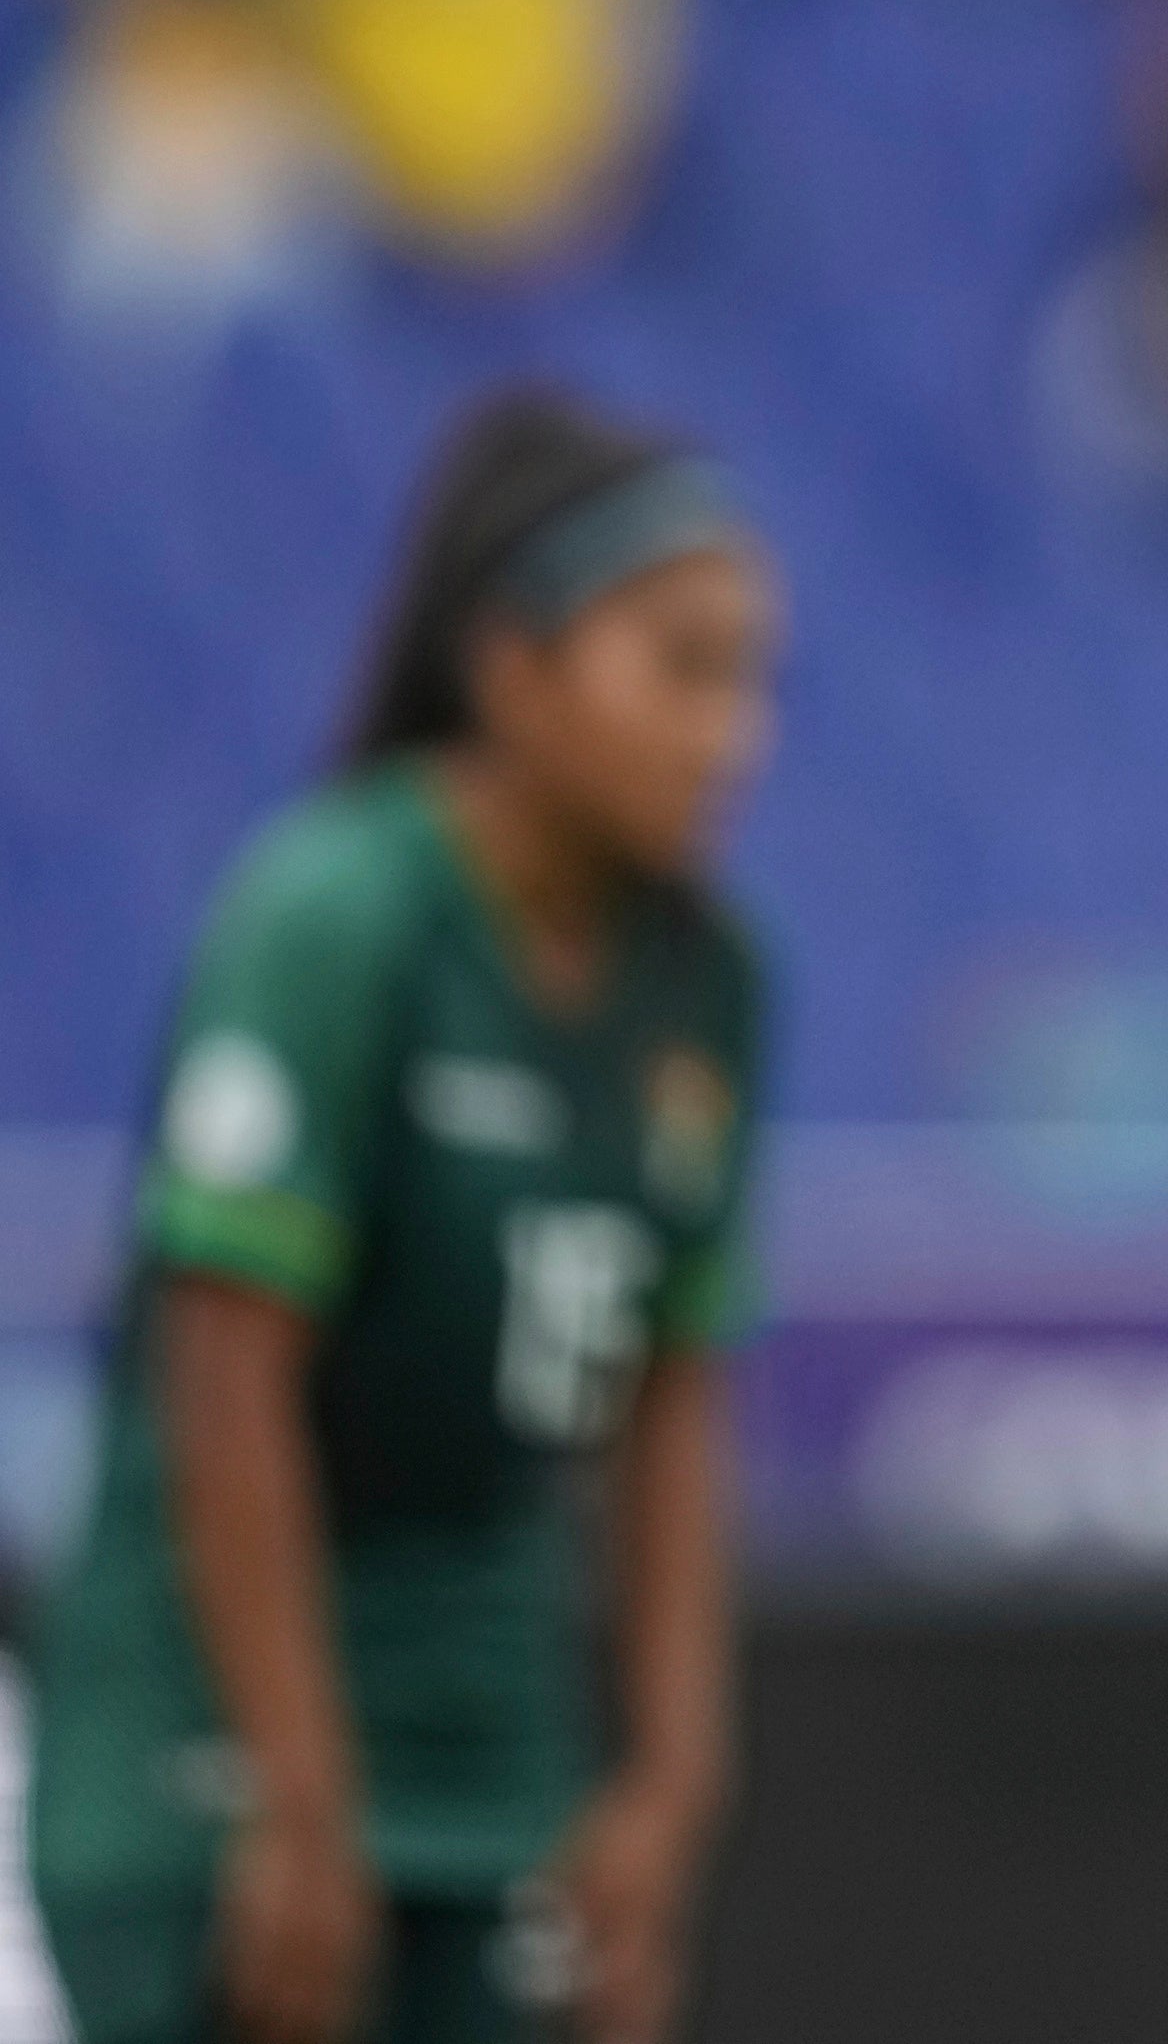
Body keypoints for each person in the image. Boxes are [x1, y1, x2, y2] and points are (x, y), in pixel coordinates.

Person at [24, 392, 783, 2044]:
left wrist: (666, 1785)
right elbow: (222, 1376)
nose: (735, 732)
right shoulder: (333, 917)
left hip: (498, 1756)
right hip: (214, 1756)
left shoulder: (705, 984)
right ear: (509, 667)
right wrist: (296, 1805)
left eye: (752, 678)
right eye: (681, 665)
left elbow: (670, 1397)